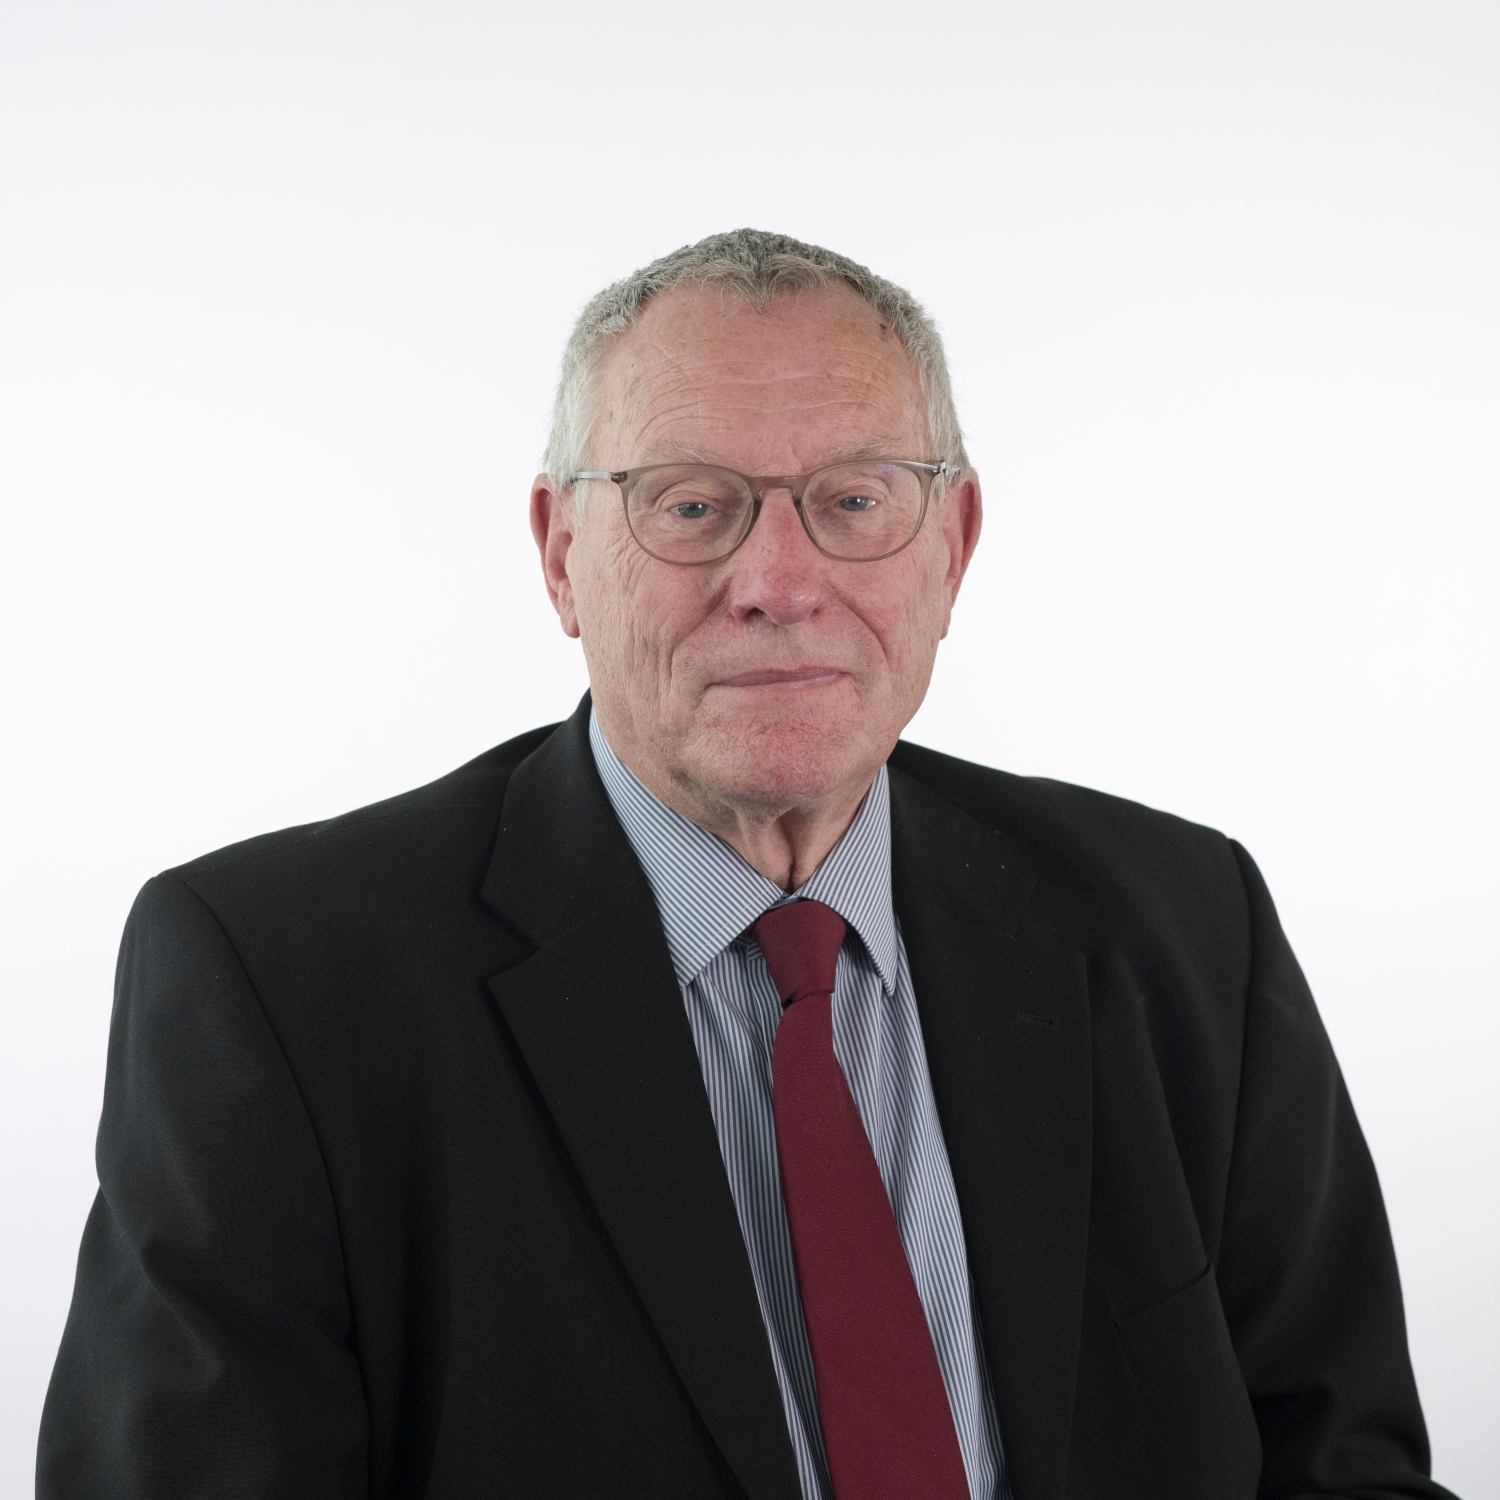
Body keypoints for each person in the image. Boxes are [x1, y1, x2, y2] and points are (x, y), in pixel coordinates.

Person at [38, 230, 1453, 1500]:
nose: (780, 580)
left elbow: (1339, 1468)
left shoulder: (1183, 922)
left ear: (950, 550)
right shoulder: (277, 981)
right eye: (695, 504)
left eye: (854, 501)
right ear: (560, 552)